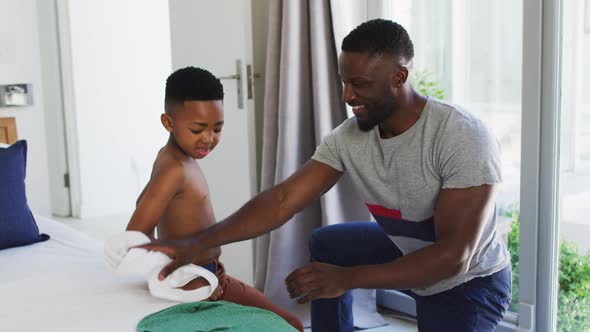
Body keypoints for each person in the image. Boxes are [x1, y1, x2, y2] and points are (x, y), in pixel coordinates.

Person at [140, 20, 512, 332]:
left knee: (362, 270)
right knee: (329, 243)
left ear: (399, 76)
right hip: (408, 246)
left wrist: (347, 278)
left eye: (361, 84)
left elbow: (453, 257)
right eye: (344, 81)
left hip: (467, 281)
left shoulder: (461, 136)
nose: (348, 95)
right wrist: (200, 241)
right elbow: (282, 201)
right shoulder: (349, 138)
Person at [126, 66, 303, 332]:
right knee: (290, 324)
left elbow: (145, 201)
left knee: (291, 322)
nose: (208, 139)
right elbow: (135, 237)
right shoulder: (174, 168)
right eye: (198, 129)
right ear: (168, 123)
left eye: (217, 128)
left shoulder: (173, 158)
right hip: (200, 283)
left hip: (212, 274)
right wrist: (183, 282)